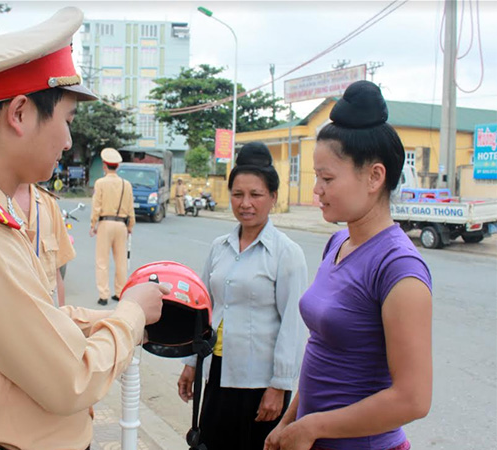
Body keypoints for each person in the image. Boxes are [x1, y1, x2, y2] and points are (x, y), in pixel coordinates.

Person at [0, 7, 168, 450]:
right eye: (67, 121)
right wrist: (130, 317)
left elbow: (33, 320)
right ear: (19, 114)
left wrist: (110, 315)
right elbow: (72, 379)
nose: (69, 141)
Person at [264, 81, 432, 450]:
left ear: (374, 177)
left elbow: (413, 399)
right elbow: (322, 350)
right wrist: (292, 421)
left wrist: (313, 427)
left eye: (327, 179)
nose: (317, 191)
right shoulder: (338, 242)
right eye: (316, 178)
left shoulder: (399, 269)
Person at [177, 142, 309, 450]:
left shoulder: (287, 253)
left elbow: (293, 326)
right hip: (218, 371)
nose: (245, 203)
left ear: (273, 198)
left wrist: (279, 386)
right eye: (238, 194)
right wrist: (191, 363)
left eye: (255, 194)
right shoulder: (219, 247)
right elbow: (203, 308)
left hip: (260, 383)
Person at [14, 182, 75, 307]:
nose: (57, 161)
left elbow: (56, 273)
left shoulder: (47, 202)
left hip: (47, 315)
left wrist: (61, 321)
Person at [90, 147, 135, 306]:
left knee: (102, 261)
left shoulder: (100, 183)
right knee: (121, 260)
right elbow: (130, 208)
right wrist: (130, 226)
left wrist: (93, 224)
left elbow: (96, 205)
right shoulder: (126, 184)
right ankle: (119, 292)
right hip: (121, 225)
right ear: (118, 166)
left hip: (105, 223)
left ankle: (103, 295)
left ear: (104, 165)